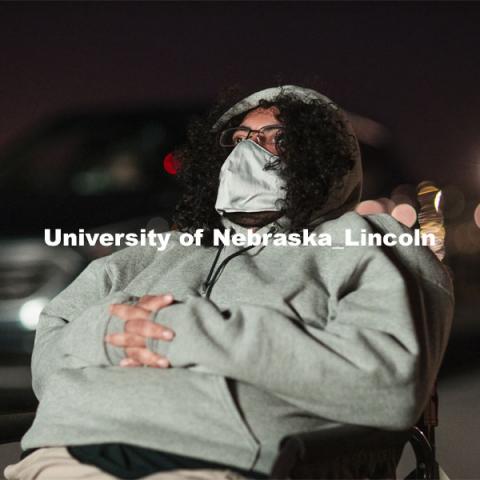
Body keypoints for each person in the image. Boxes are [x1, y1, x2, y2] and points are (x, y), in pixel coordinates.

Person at [4, 85, 454, 480]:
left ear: (321, 157)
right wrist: (110, 334)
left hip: (215, 460)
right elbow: (51, 349)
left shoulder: (361, 243)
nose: (247, 153)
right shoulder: (164, 248)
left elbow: (390, 386)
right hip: (64, 452)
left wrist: (181, 333)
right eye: (239, 140)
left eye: (275, 140)